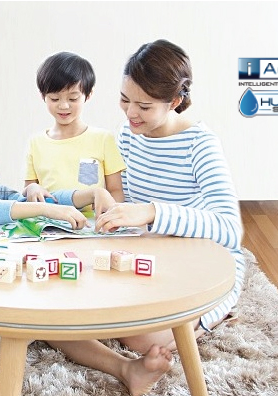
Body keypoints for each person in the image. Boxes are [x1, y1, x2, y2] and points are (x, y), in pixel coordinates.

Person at [0, 129, 175, 396]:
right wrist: (43, 209)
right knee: (27, 320)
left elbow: (47, 199)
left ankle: (126, 369)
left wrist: (91, 193)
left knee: (44, 313)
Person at [96, 39, 244, 354]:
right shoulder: (128, 135)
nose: (131, 113)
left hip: (202, 257)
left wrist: (153, 212)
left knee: (142, 339)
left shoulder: (199, 144)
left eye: (144, 106)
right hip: (151, 251)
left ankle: (207, 317)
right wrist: (111, 208)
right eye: (125, 100)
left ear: (175, 101)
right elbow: (123, 201)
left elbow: (230, 229)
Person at [23, 51, 126, 214]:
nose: (64, 106)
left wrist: (108, 215)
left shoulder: (103, 139)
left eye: (73, 99)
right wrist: (32, 188)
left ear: (88, 95)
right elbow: (29, 191)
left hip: (92, 224)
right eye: (55, 99)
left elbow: (116, 191)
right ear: (43, 96)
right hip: (52, 222)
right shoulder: (36, 143)